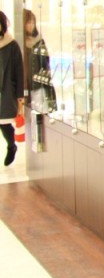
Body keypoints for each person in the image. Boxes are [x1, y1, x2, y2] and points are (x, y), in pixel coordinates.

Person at [0, 10, 26, 167]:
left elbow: (19, 72)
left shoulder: (12, 45)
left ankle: (11, 146)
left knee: (3, 123)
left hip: (6, 91)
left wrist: (20, 97)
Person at [23, 9, 56, 112]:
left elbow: (46, 63)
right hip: (25, 86)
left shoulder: (39, 41)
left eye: (33, 23)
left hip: (39, 86)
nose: (31, 25)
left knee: (41, 113)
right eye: (28, 23)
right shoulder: (20, 43)